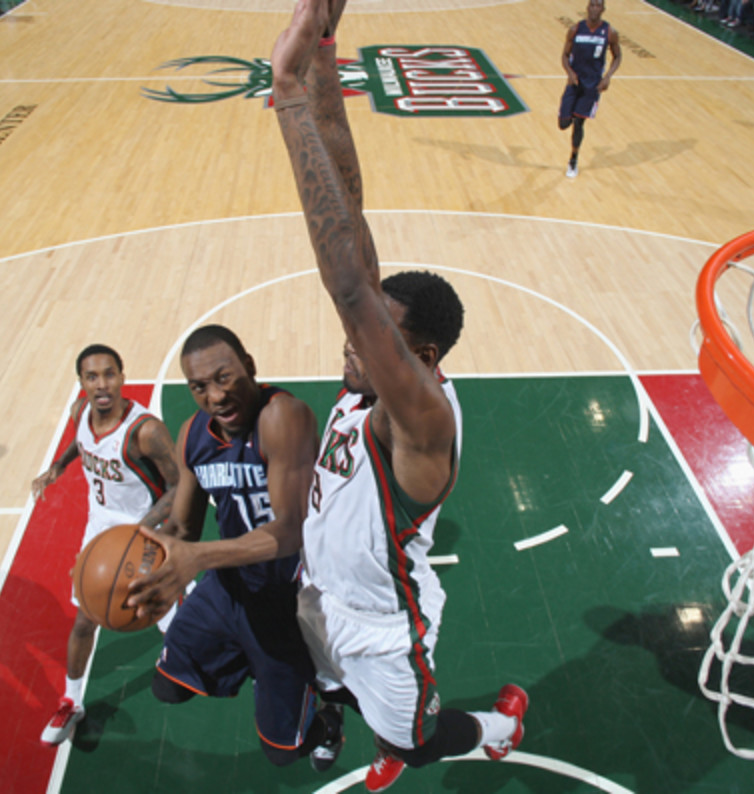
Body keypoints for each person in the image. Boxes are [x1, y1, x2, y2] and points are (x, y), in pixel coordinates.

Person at [269, 1, 529, 791]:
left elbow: (348, 285)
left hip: (387, 628)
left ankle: (497, 727)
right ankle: (382, 719)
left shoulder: (421, 420)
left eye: (378, 335)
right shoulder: (388, 374)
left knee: (415, 743)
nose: (356, 339)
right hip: (326, 591)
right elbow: (347, 199)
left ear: (417, 356)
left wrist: (284, 91)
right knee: (336, 685)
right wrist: (322, 52)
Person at [125, 325, 342, 768]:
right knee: (168, 686)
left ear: (250, 367)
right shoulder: (193, 435)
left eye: (224, 378)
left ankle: (326, 720)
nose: (215, 397)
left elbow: (291, 530)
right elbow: (184, 529)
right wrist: (141, 571)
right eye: (199, 387)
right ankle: (255, 662)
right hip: (228, 585)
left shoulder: (283, 418)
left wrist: (199, 557)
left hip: (290, 595)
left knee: (284, 752)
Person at [31, 343, 181, 746]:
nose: (102, 384)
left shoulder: (145, 432)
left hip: (143, 531)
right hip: (99, 528)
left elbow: (179, 486)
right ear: (81, 382)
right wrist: (58, 467)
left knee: (171, 621)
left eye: (109, 374)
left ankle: (200, 650)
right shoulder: (80, 412)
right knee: (85, 618)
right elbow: (82, 444)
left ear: (122, 376)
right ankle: (71, 701)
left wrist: (140, 530)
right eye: (92, 376)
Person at [558, 0, 622, 178]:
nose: (594, 8)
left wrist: (608, 77)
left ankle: (573, 159)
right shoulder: (575, 29)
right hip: (574, 81)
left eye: (598, 5)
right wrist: (569, 72)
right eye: (592, 4)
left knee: (579, 123)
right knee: (563, 124)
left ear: (603, 9)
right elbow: (564, 55)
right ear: (587, 8)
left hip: (592, 85)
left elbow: (617, 56)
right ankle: (571, 113)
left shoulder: (609, 32)